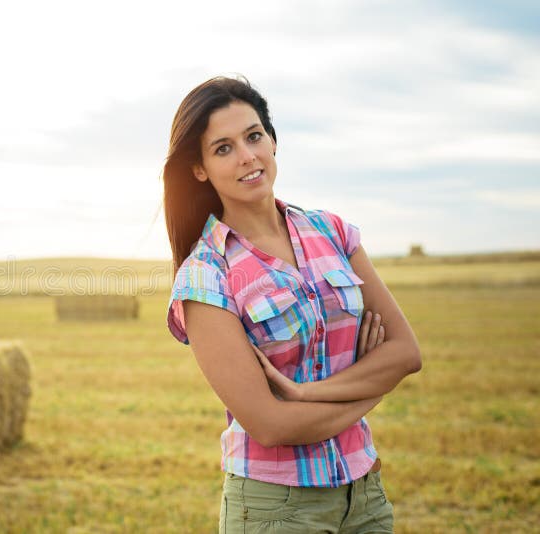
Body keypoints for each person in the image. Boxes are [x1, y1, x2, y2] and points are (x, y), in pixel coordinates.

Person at [163, 76, 421, 533]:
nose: (246, 156)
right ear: (199, 168)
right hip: (275, 511)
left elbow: (405, 353)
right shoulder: (206, 275)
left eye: (254, 135)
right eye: (222, 148)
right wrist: (376, 387)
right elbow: (269, 424)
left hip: (365, 496)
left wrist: (306, 393)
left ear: (273, 140)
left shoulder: (333, 232)